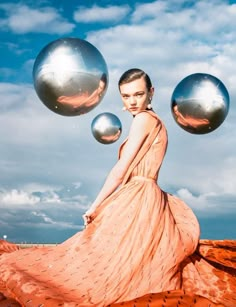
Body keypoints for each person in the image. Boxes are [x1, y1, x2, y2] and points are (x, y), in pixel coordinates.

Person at [0, 69, 235, 307]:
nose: (132, 101)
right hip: (146, 197)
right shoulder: (156, 123)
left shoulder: (144, 120)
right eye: (126, 96)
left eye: (138, 94)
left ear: (151, 93)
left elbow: (120, 170)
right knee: (124, 261)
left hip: (138, 197)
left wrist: (95, 206)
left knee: (105, 265)